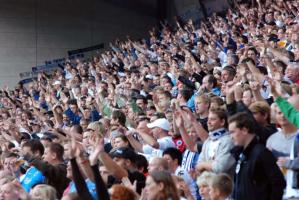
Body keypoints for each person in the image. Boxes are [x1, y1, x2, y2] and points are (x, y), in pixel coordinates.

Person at [228, 112, 286, 200]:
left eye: (232, 132)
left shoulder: (261, 153)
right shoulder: (241, 154)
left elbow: (278, 183)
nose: (230, 137)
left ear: (244, 130)